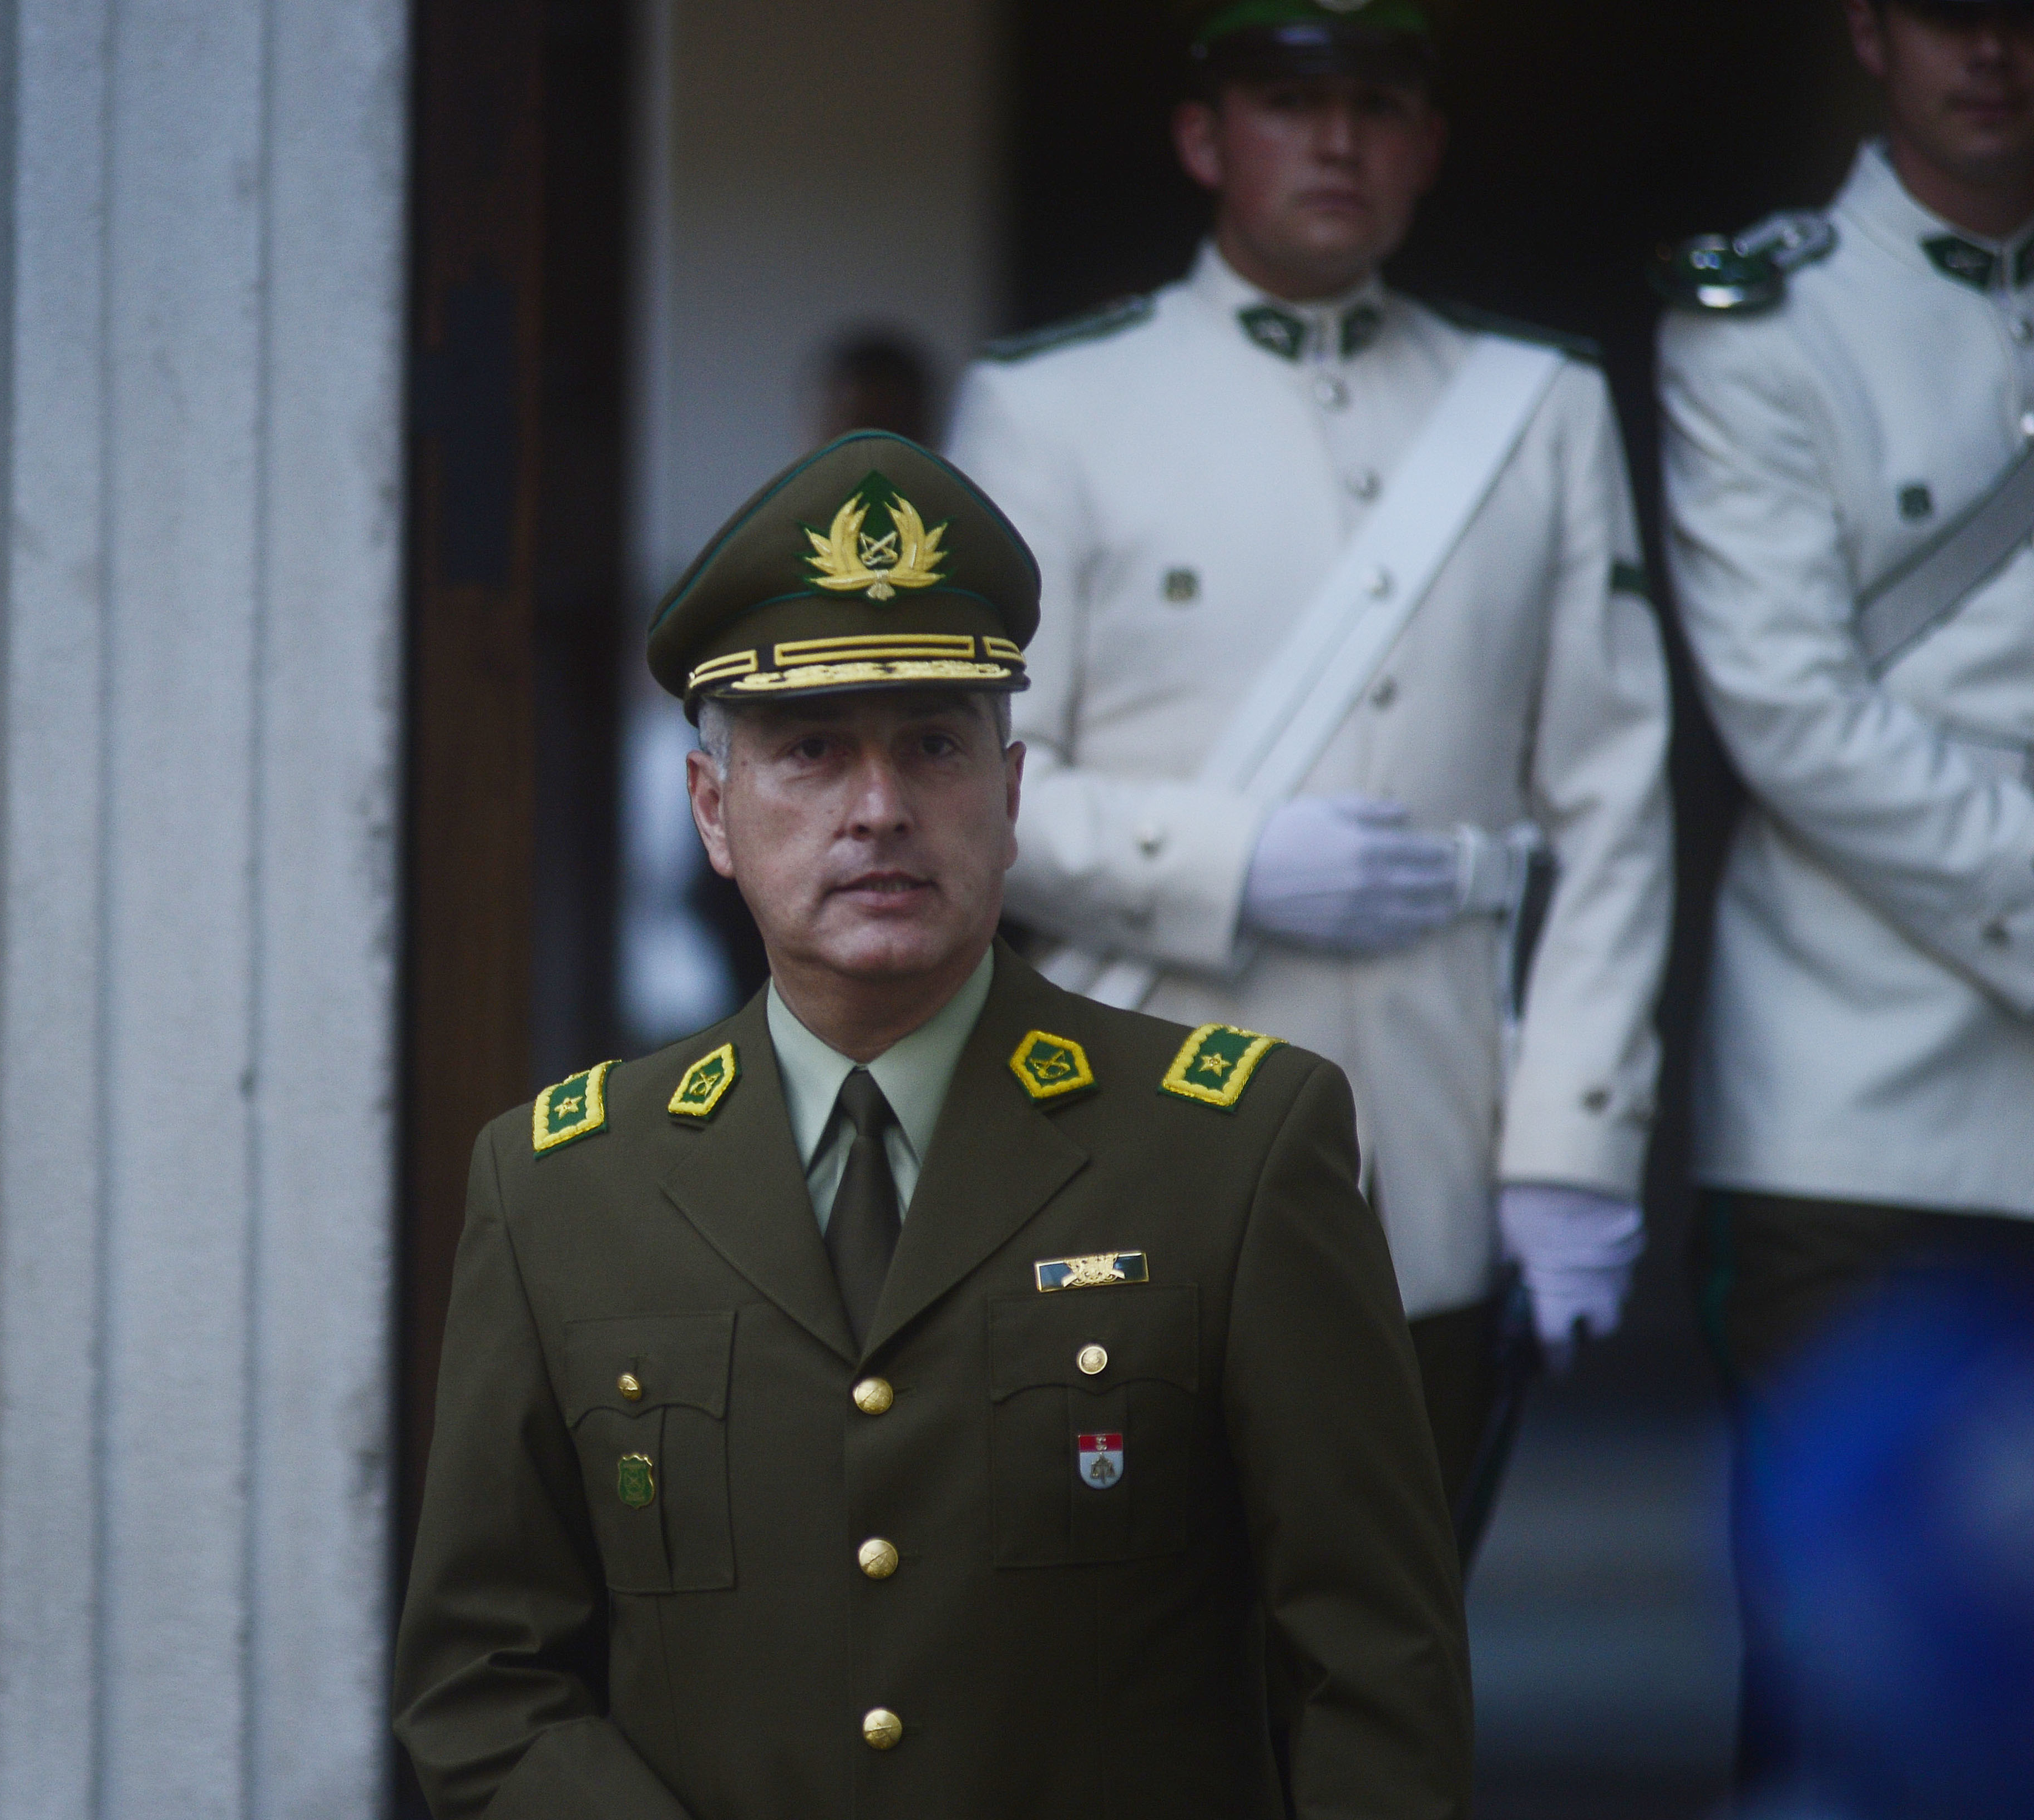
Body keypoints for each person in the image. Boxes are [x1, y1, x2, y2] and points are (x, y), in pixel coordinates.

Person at [392, 432, 1470, 1818]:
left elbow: (1374, 1666)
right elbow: (483, 1681)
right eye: (811, 752)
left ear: (1011, 798)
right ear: (712, 812)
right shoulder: (558, 1187)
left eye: (934, 745)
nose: (880, 808)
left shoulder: (1238, 1148)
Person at [944, 0, 1674, 1551]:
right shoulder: (1050, 407)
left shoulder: (1532, 410)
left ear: (1427, 147)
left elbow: (1613, 813)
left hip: (1433, 1167)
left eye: (1377, 103)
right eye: (1287, 98)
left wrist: (1572, 1154)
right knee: (1125, 1673)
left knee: (1391, 1677)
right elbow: (975, 788)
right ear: (1205, 137)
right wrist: (1225, 862)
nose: (1335, 140)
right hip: (1128, 1154)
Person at [1653, 0, 2034, 1789]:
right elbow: (1792, 709)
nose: (1998, 54)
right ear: (1874, 33)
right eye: (1957, 14)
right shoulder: (1765, 316)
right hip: (1852, 1100)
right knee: (1836, 1649)